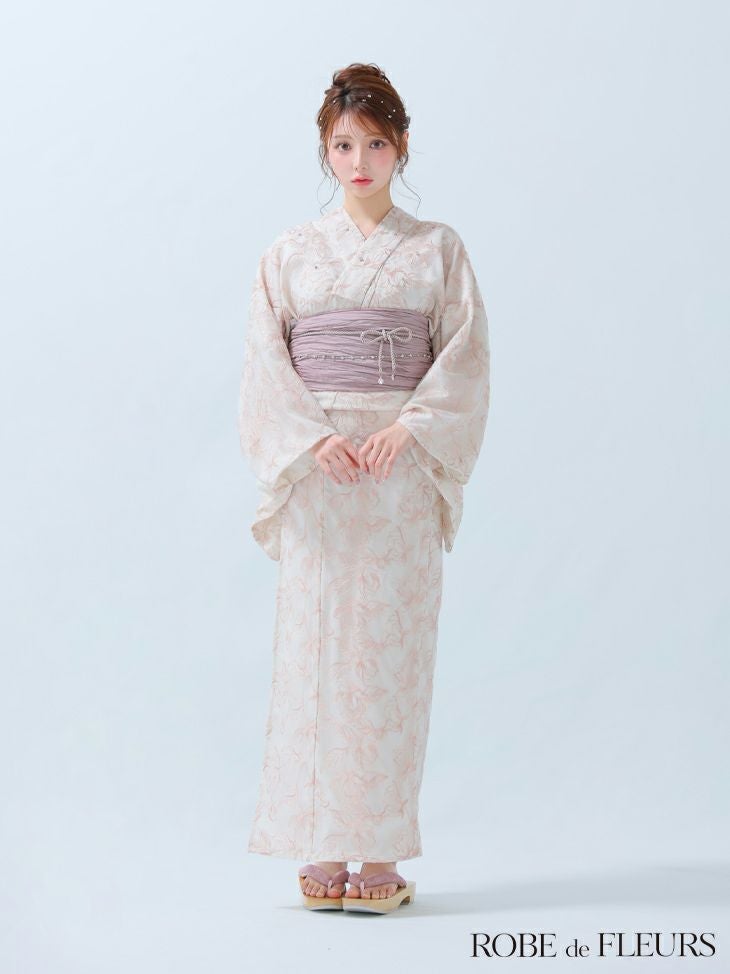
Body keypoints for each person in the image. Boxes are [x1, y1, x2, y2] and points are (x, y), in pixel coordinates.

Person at [238, 62, 491, 914]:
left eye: (376, 145)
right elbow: (264, 364)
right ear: (325, 148)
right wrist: (312, 440)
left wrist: (409, 429)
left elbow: (464, 356)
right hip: (320, 477)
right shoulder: (288, 254)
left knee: (389, 657)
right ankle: (320, 846)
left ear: (402, 147)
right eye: (343, 145)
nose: (359, 162)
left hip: (397, 475)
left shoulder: (437, 249)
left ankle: (378, 853)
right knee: (313, 653)